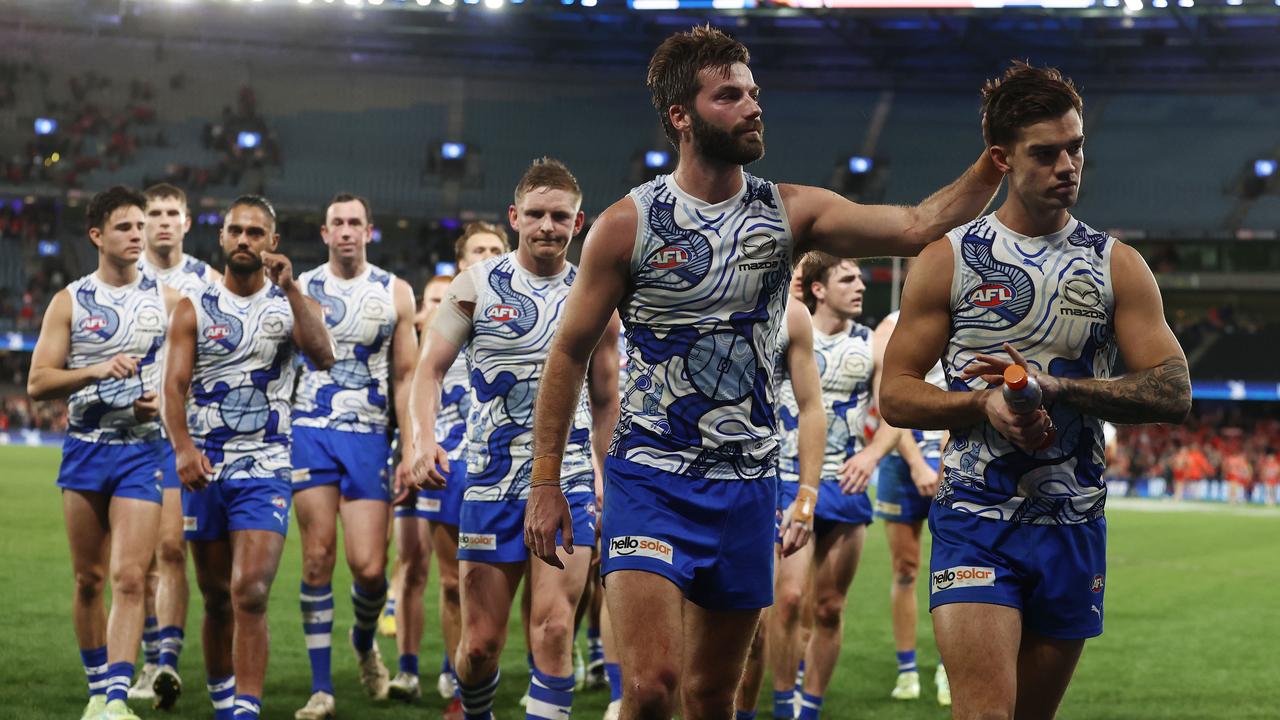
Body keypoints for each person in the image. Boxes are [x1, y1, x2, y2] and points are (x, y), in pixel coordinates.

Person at [524, 24, 1002, 720]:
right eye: (729, 96)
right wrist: (546, 482)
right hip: (650, 480)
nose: (752, 106)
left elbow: (916, 225)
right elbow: (566, 353)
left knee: (716, 695)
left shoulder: (788, 211)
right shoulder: (630, 224)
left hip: (748, 486)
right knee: (653, 686)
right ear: (679, 117)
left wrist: (993, 162)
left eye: (753, 92)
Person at [880, 61, 1191, 720]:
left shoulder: (1116, 265)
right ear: (1001, 158)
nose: (1067, 166)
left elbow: (1173, 388)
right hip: (975, 523)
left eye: (1075, 148)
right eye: (1045, 154)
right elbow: (897, 396)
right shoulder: (951, 258)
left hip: (1071, 525)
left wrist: (1058, 388)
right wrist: (979, 403)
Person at [411, 158, 620, 720]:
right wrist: (421, 440)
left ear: (579, 223)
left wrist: (605, 473)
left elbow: (606, 400)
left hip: (568, 481)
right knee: (479, 647)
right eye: (536, 214)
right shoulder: (476, 285)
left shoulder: (597, 295)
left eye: (560, 216)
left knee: (553, 631)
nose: (547, 226)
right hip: (487, 481)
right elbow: (428, 370)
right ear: (514, 217)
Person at [162, 195, 335, 720]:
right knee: (216, 597)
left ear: (272, 243)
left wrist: (292, 287)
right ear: (220, 239)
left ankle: (246, 708)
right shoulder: (194, 308)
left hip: (266, 466)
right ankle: (223, 704)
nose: (243, 240)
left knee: (251, 591)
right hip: (205, 469)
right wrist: (184, 450)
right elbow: (173, 388)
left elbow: (323, 354)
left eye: (254, 233)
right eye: (235, 231)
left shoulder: (291, 304)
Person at [28, 185, 182, 720]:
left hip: (142, 452)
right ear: (97, 235)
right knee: (88, 580)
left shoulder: (166, 300)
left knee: (130, 578)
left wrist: (156, 405)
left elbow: (183, 380)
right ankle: (98, 690)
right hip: (84, 451)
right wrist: (95, 370)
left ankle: (116, 696)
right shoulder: (69, 300)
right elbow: (38, 382)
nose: (137, 235)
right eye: (125, 227)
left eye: (140, 226)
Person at [289, 193, 418, 719]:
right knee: (317, 558)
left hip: (368, 436)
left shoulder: (395, 292)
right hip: (311, 429)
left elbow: (406, 375)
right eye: (337, 223)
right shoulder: (301, 287)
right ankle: (322, 689)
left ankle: (363, 641)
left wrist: (411, 447)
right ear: (325, 234)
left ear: (369, 231)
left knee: (368, 568)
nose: (345, 230)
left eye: (354, 223)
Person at [388, 221, 508, 711]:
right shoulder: (444, 320)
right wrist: (413, 446)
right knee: (452, 580)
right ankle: (459, 679)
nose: (485, 255)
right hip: (449, 463)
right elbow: (418, 385)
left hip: (505, 464)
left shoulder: (523, 313)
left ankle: (494, 672)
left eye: (495, 249)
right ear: (461, 262)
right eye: (477, 249)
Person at [130, 181, 222, 709]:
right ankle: (147, 658)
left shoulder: (206, 282)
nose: (163, 221)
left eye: (172, 212)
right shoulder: (123, 277)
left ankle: (165, 660)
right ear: (142, 222)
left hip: (178, 434)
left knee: (169, 549)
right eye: (155, 212)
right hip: (126, 432)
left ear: (187, 222)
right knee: (131, 563)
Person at [734, 281, 824, 720]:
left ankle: (777, 707)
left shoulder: (791, 315)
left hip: (756, 483)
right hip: (665, 482)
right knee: (663, 663)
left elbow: (811, 407)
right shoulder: (674, 283)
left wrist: (806, 495)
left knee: (757, 626)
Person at [868, 304, 950, 706]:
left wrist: (946, 459)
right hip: (903, 461)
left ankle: (947, 668)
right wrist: (918, 464)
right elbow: (886, 403)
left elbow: (966, 392)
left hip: (952, 455)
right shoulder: (887, 327)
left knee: (954, 571)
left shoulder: (962, 314)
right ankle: (906, 668)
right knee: (905, 568)